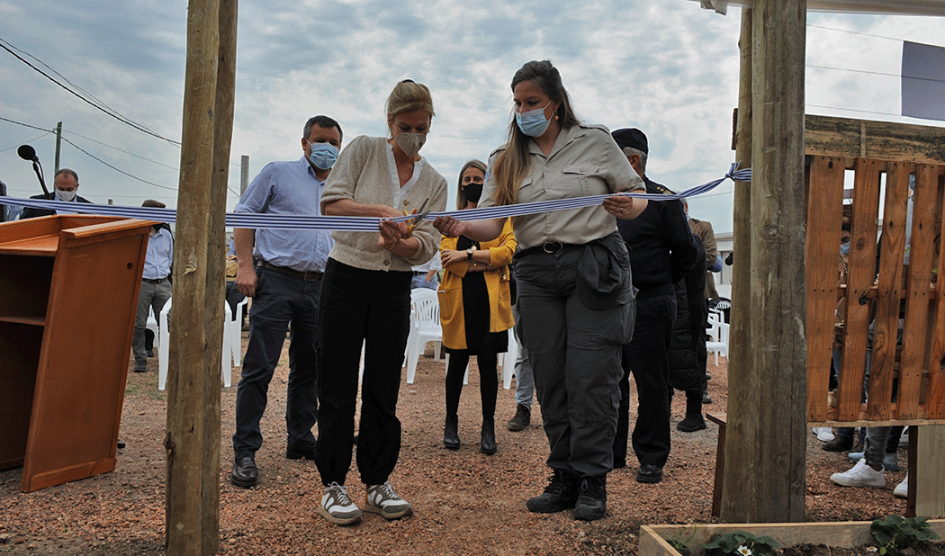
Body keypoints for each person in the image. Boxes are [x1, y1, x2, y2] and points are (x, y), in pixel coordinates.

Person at [435, 60, 646, 522]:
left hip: (594, 263)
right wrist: (460, 224)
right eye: (517, 102)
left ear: (556, 102)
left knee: (591, 373)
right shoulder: (505, 158)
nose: (523, 110)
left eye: (532, 102)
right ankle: (564, 475)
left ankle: (593, 479)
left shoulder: (595, 140)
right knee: (548, 372)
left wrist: (628, 205)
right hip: (535, 272)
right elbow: (492, 221)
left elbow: (636, 193)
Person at [315, 80, 447, 526]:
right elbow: (331, 205)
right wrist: (380, 213)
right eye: (406, 126)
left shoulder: (435, 181)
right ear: (390, 123)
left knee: (383, 384)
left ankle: (376, 481)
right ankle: (333, 484)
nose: (415, 135)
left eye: (422, 128)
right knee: (335, 380)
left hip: (395, 283)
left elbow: (428, 244)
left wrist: (405, 243)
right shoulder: (364, 150)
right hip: (346, 275)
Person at [229, 115, 342, 489]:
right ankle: (245, 450)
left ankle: (300, 437)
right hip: (275, 280)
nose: (326, 148)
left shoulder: (340, 187)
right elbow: (243, 215)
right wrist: (245, 265)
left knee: (309, 368)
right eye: (320, 140)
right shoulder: (278, 173)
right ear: (305, 143)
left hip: (320, 285)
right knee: (260, 367)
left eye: (333, 142)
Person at [609, 128, 700, 480]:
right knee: (610, 381)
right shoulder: (604, 200)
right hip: (610, 304)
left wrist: (658, 280)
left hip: (649, 301)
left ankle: (651, 456)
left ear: (632, 161)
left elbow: (687, 252)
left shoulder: (662, 200)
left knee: (652, 382)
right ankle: (612, 452)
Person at [439, 160, 516, 454]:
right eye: (468, 178)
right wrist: (483, 260)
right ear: (461, 184)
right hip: (460, 298)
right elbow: (446, 256)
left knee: (487, 366)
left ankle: (488, 426)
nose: (473, 183)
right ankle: (451, 422)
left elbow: (507, 251)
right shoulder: (451, 219)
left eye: (479, 178)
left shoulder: (500, 216)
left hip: (490, 301)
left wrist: (468, 254)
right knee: (456, 365)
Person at [130, 200, 174, 373]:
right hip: (142, 283)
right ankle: (140, 359)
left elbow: (170, 258)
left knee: (167, 323)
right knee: (138, 324)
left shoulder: (167, 234)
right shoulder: (137, 234)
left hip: (163, 283)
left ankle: (168, 357)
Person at [20, 168, 92, 219]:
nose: (65, 192)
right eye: (61, 189)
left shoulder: (88, 208)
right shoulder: (37, 203)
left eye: (69, 189)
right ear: (55, 185)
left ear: (76, 186)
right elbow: (22, 227)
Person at [684, 200, 718, 301]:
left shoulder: (703, 227)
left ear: (685, 206)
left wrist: (682, 266)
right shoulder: (664, 228)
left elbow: (710, 255)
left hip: (700, 286)